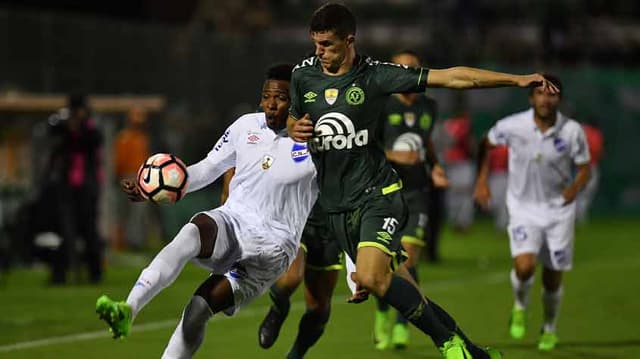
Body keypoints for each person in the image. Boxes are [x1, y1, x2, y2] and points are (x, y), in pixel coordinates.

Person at [288, 3, 558, 358]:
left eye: (328, 45)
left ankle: (447, 344)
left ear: (349, 40)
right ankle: (473, 352)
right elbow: (293, 122)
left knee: (372, 278)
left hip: (378, 195)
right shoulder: (303, 75)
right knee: (405, 289)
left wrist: (516, 79)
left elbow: (454, 77)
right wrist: (297, 129)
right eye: (316, 44)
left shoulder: (376, 75)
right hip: (338, 206)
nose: (319, 52)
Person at [95, 64, 319, 358]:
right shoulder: (245, 127)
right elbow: (209, 168)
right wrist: (155, 188)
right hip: (234, 219)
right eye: (266, 96)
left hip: (272, 248)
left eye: (280, 97)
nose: (270, 104)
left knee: (198, 310)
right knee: (191, 231)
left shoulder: (317, 141)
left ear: (297, 100)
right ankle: (128, 307)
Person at [474, 75, 590, 352]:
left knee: (552, 276)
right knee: (524, 267)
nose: (545, 99)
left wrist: (575, 187)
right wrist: (481, 180)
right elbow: (485, 143)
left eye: (551, 95)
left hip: (558, 211)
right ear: (531, 98)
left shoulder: (572, 130)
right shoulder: (513, 125)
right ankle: (520, 305)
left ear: (558, 99)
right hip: (523, 208)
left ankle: (549, 327)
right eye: (540, 93)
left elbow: (585, 167)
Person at [375, 49, 449, 350]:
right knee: (383, 261)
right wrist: (392, 156)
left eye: (413, 69)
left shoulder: (429, 106)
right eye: (402, 68)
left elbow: (427, 140)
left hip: (417, 190)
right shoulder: (380, 104)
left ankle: (402, 324)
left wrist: (436, 165)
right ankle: (382, 314)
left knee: (409, 256)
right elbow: (367, 144)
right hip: (386, 191)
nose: (407, 74)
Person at [45, 94, 104, 284]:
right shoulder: (62, 125)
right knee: (64, 230)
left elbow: (94, 141)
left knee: (89, 231)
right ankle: (59, 274)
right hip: (66, 187)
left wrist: (77, 129)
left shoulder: (90, 128)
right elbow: (52, 131)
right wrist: (68, 128)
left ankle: (95, 273)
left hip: (86, 187)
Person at [113, 106, 153, 250]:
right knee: (125, 211)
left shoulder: (142, 138)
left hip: (142, 176)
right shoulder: (124, 137)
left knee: (138, 211)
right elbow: (120, 161)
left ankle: (135, 241)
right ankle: (123, 241)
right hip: (128, 176)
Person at [576, 119, 603, 222]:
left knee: (581, 193)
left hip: (580, 165)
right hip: (589, 166)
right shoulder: (594, 133)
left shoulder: (582, 130)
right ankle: (579, 217)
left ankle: (579, 216)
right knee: (585, 193)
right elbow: (596, 150)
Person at [487, 145, 509, 230]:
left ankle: (502, 225)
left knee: (503, 203)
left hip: (504, 175)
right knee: (494, 203)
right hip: (493, 176)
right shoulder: (491, 149)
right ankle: (501, 223)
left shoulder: (507, 149)